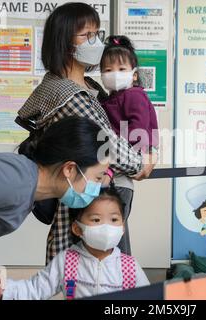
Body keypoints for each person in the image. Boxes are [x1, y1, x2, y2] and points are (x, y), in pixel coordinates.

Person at [15, 2, 157, 264]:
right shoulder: (67, 93)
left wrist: (148, 145)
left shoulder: (88, 85)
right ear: (63, 42)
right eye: (86, 35)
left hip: (104, 189)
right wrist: (141, 162)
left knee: (106, 264)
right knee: (103, 266)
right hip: (91, 194)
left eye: (96, 34)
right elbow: (106, 140)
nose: (95, 42)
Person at [0, 116, 110, 300]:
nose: (98, 188)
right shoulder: (15, 180)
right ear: (70, 170)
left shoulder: (28, 192)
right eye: (98, 177)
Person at [0, 189, 150, 300]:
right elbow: (34, 289)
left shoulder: (129, 267)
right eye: (96, 219)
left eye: (114, 219)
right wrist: (2, 290)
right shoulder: (67, 261)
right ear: (77, 228)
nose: (107, 227)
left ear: (122, 227)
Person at [99, 35, 159, 254]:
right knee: (111, 234)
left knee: (113, 236)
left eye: (122, 68)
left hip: (119, 179)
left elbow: (138, 136)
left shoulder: (134, 96)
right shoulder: (108, 99)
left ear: (134, 75)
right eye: (107, 69)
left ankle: (125, 281)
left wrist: (112, 169)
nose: (114, 74)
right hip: (115, 175)